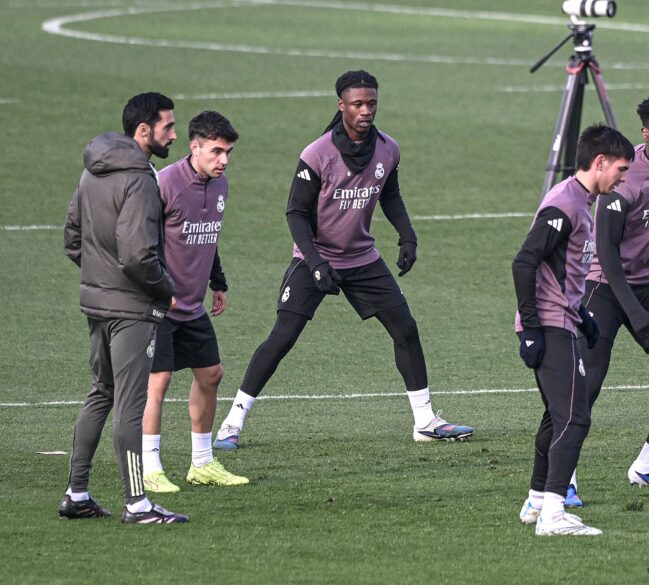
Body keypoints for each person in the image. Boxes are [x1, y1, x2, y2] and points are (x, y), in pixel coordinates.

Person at [213, 70, 473, 448]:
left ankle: (425, 422)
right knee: (283, 336)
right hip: (314, 259)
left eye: (371, 103)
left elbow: (391, 195)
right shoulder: (316, 154)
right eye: (357, 104)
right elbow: (296, 214)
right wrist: (316, 263)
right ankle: (232, 423)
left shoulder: (388, 149)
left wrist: (408, 235)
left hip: (362, 258)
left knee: (406, 330)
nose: (366, 110)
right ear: (341, 106)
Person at [61, 92, 188, 524]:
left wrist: (102, 277)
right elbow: (138, 255)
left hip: (97, 301)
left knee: (101, 393)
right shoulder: (139, 179)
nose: (175, 133)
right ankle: (138, 503)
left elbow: (72, 239)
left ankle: (76, 493)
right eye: (168, 126)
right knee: (130, 405)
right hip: (131, 309)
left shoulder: (91, 170)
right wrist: (164, 289)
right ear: (143, 130)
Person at [572, 93, 649, 505]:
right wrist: (637, 315)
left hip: (647, 285)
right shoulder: (624, 178)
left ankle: (647, 465)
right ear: (645, 134)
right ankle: (564, 476)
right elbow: (606, 253)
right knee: (586, 384)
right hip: (604, 289)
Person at [513, 123, 634, 536]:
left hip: (562, 319)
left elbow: (560, 271)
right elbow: (524, 261)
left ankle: (535, 502)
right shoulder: (564, 205)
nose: (623, 178)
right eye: (620, 169)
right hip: (547, 324)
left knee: (556, 416)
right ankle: (553, 515)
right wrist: (530, 328)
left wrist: (583, 315)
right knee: (574, 419)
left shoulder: (582, 202)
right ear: (599, 162)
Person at [140, 111, 248, 493]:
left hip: (192, 304)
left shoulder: (220, 186)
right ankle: (149, 468)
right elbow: (145, 245)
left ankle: (201, 463)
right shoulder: (164, 184)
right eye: (217, 151)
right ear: (195, 146)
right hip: (157, 305)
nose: (224, 160)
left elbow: (210, 235)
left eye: (228, 152)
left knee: (210, 374)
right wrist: (158, 288)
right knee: (158, 382)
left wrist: (217, 282)